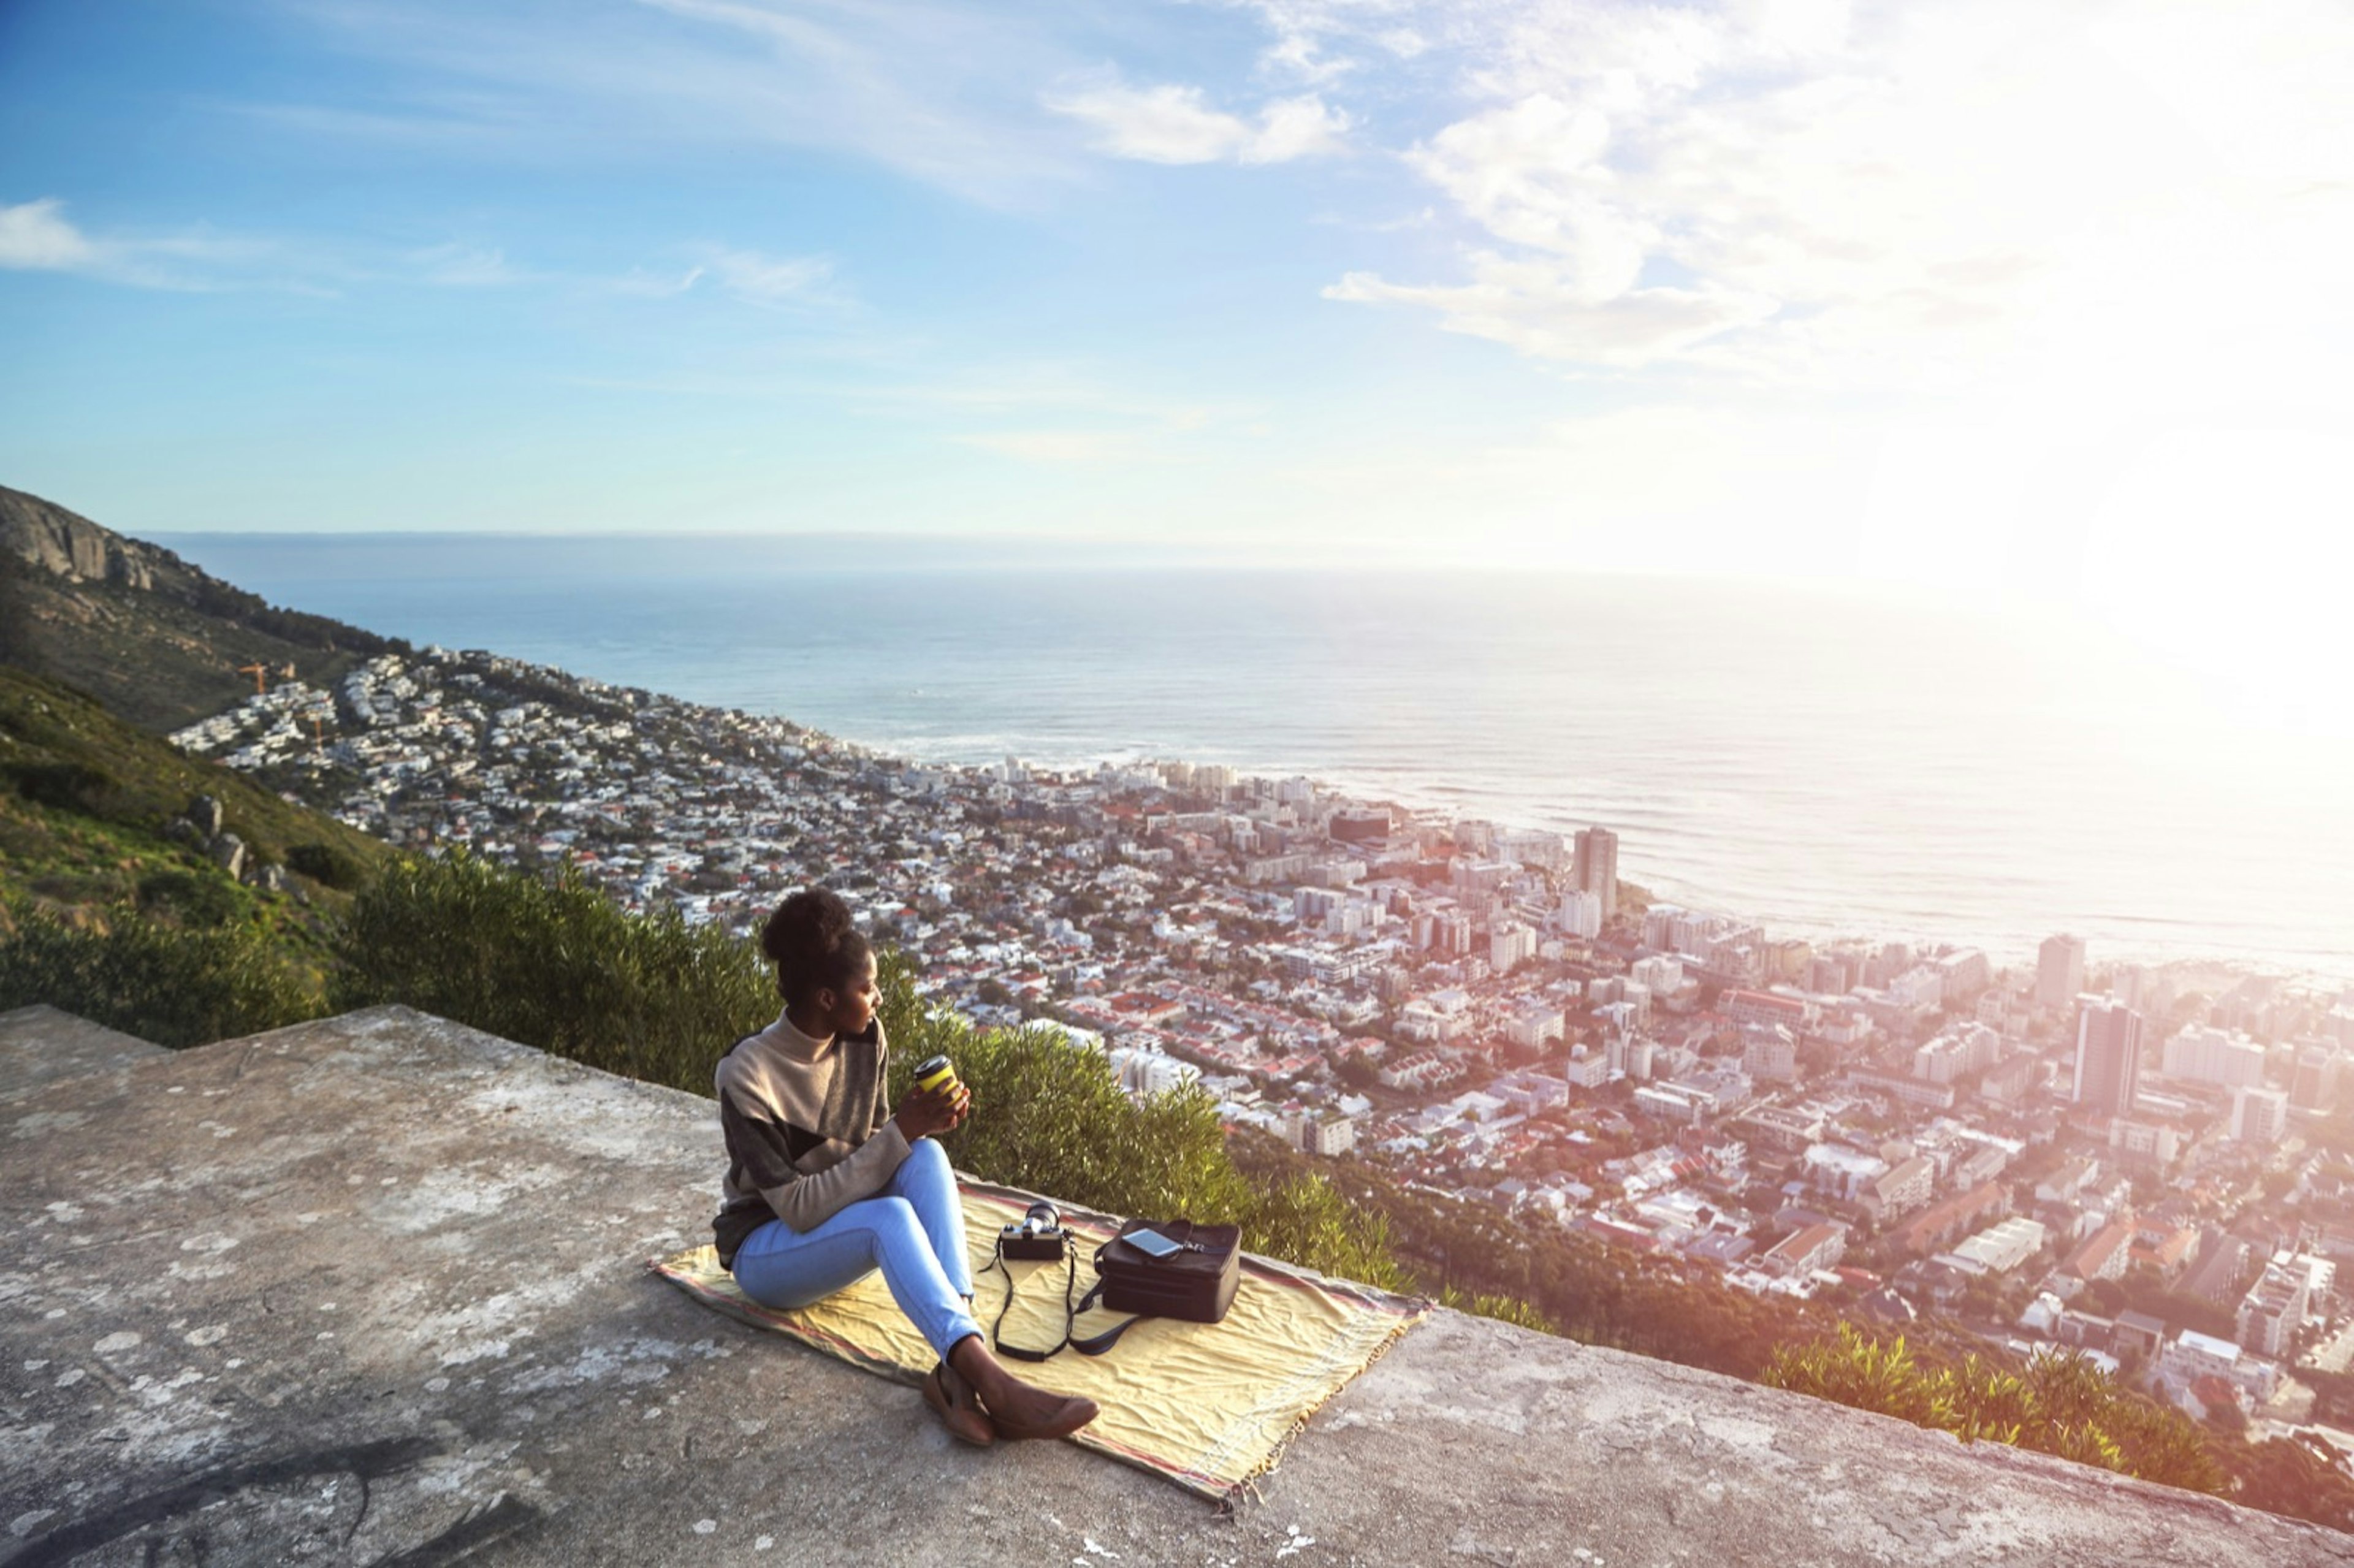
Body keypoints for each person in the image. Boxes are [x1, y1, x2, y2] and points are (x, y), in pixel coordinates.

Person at [713, 887, 1098, 1447]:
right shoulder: (747, 1073)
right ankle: (994, 1381)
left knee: (926, 1156)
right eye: (867, 989)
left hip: (836, 1225)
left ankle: (957, 1378)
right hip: (768, 1250)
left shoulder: (863, 1037)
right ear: (825, 998)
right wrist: (901, 1130)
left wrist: (920, 1128)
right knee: (888, 1215)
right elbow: (798, 1209)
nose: (879, 1000)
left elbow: (868, 1146)